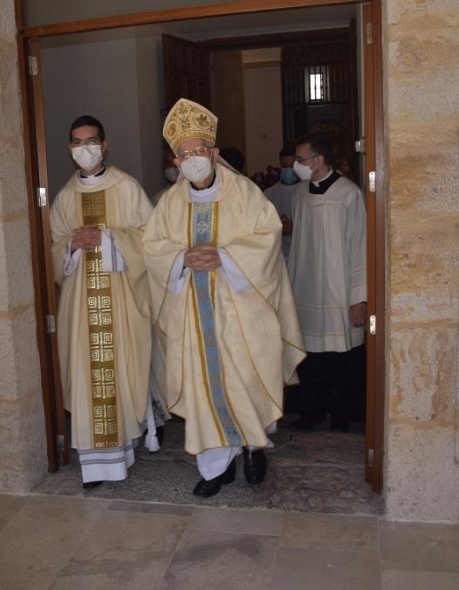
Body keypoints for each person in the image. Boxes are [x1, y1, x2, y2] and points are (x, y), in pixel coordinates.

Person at [143, 98, 306, 498]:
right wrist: (182, 257)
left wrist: (224, 256)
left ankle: (253, 449)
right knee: (204, 388)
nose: (193, 159)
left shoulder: (246, 193)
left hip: (242, 315)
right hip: (193, 319)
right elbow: (152, 247)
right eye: (184, 154)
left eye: (199, 151)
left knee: (245, 381)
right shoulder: (168, 203)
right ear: (176, 162)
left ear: (214, 153)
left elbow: (267, 239)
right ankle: (217, 467)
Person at [49, 115, 159, 489]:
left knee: (119, 373)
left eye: (91, 141)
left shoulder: (127, 188)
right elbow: (53, 248)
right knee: (85, 375)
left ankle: (121, 453)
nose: (85, 148)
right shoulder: (64, 197)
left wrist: (109, 238)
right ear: (69, 148)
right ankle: (92, 464)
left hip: (121, 302)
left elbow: (152, 239)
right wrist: (71, 246)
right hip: (81, 308)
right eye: (77, 142)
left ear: (105, 144)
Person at [288, 134, 367, 431]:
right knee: (309, 355)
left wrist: (359, 297)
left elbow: (360, 246)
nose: (297, 165)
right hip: (306, 285)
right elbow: (298, 244)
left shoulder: (348, 194)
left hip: (338, 287)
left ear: (319, 161)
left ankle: (341, 415)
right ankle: (310, 411)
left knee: (337, 356)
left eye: (301, 159)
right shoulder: (300, 193)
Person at [264, 145, 300, 264]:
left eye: (292, 166)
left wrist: (294, 229)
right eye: (285, 166)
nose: (288, 170)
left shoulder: (306, 191)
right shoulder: (269, 193)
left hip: (300, 254)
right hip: (276, 255)